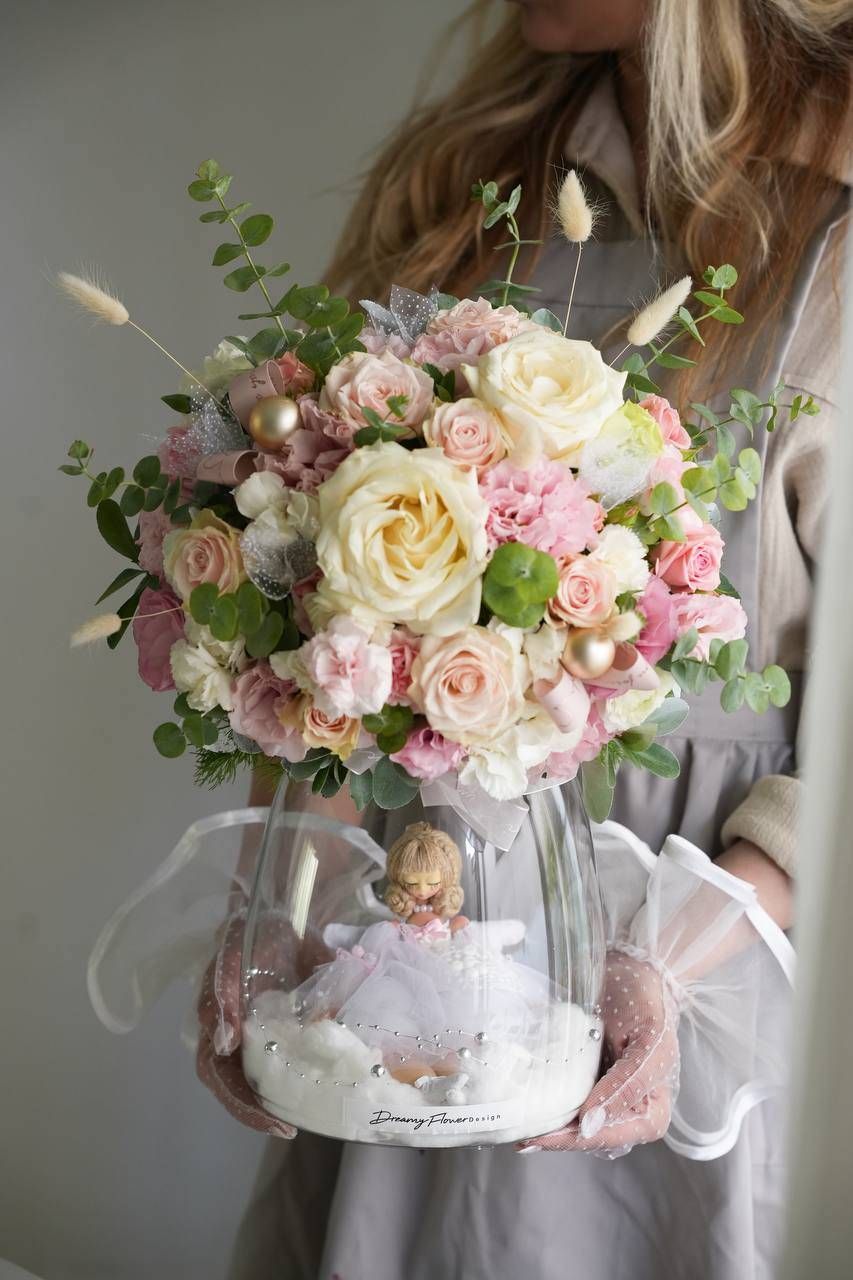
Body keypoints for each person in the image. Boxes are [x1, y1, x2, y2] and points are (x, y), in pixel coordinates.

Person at [197, 1, 853, 1276]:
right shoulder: (467, 189)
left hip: (704, 958)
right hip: (405, 953)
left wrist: (671, 961)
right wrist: (283, 894)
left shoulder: (831, 246)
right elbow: (322, 610)